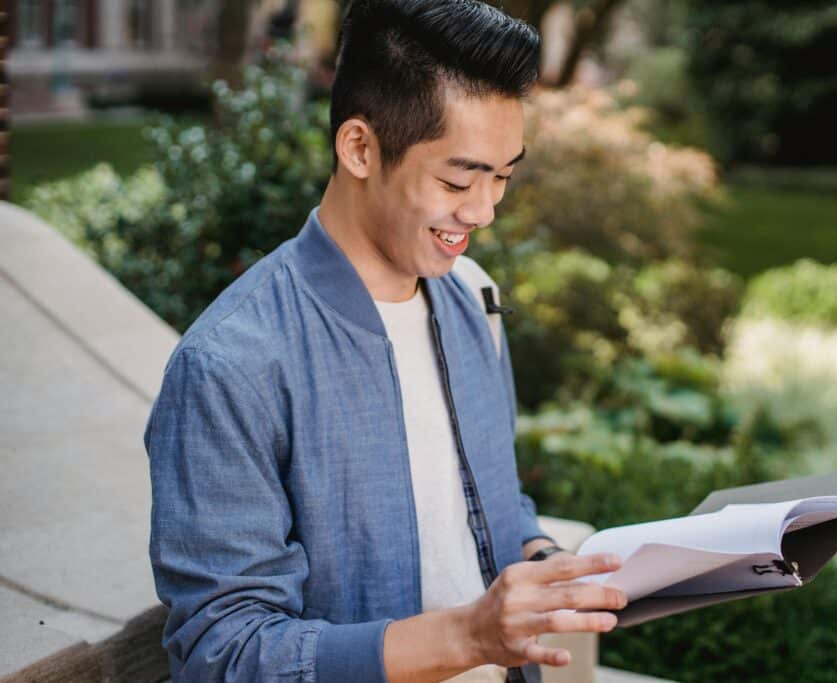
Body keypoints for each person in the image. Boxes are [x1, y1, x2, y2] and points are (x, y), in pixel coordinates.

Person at [144, 1, 627, 682]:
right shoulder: (231, 364)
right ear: (360, 148)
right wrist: (467, 635)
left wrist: (549, 563)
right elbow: (223, 651)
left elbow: (494, 500)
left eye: (503, 176)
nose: (484, 210)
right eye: (459, 179)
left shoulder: (473, 298)